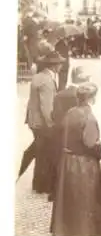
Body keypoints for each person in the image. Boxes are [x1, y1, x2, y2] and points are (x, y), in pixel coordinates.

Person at [51, 82, 101, 236]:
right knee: (84, 199)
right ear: (91, 99)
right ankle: (82, 232)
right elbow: (90, 144)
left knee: (67, 200)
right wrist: (99, 150)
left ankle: (64, 230)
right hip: (82, 165)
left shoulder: (70, 112)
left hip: (66, 161)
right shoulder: (89, 118)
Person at [49, 66, 91, 201]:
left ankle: (55, 192)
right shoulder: (82, 97)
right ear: (83, 80)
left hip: (59, 132)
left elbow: (54, 115)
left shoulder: (60, 94)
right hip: (75, 134)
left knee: (58, 161)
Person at [25, 51, 64, 194]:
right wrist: (51, 124)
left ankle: (38, 184)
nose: (61, 65)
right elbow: (46, 106)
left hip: (33, 120)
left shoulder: (38, 77)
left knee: (40, 151)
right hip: (41, 123)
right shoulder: (47, 81)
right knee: (44, 153)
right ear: (54, 66)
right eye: (59, 63)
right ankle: (42, 185)